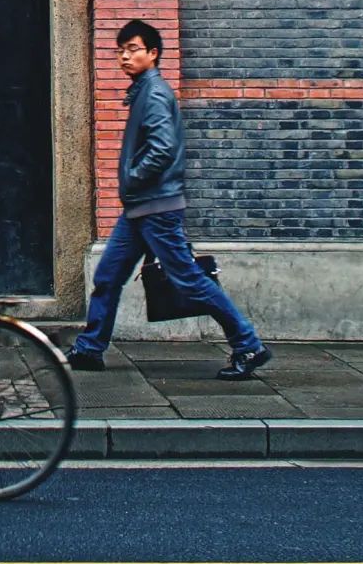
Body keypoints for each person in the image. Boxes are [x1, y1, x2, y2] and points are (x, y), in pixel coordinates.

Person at [68, 19, 272, 380]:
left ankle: (248, 344)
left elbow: (162, 149)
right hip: (141, 209)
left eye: (132, 49)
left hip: (157, 208)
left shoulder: (155, 94)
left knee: (190, 281)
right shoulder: (143, 92)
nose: (124, 57)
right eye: (120, 51)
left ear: (153, 53)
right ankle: (89, 348)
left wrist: (133, 177)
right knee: (108, 275)